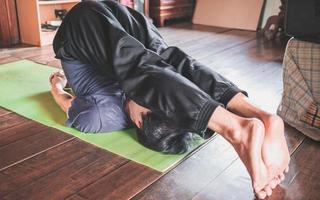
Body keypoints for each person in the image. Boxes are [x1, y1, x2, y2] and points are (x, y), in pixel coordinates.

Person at [51, 1, 290, 199]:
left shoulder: (104, 116)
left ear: (140, 124)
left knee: (149, 62)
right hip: (117, 19)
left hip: (92, 22)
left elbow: (67, 104)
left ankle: (245, 121)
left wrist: (56, 85)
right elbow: (165, 76)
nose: (147, 96)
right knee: (163, 60)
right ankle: (245, 116)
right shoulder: (143, 96)